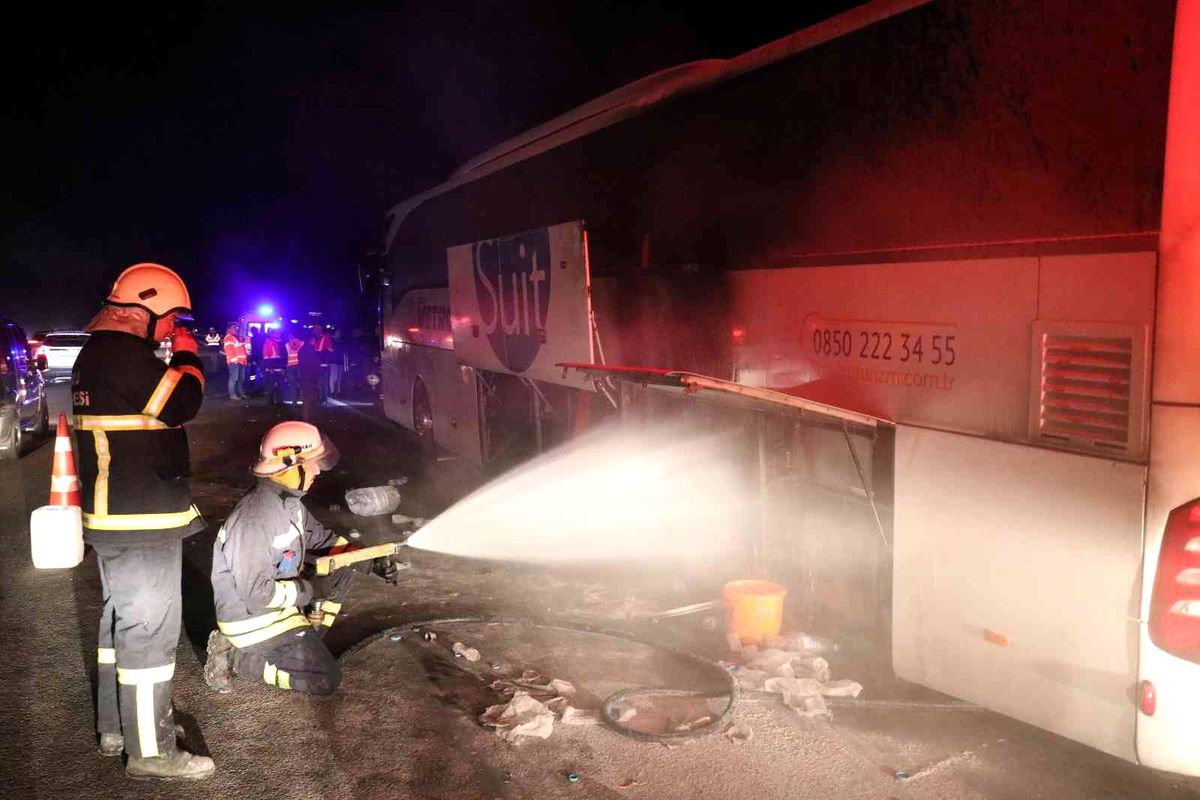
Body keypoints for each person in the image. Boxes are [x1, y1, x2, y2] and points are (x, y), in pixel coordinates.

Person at [72, 262, 215, 780]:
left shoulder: (97, 356)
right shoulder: (123, 356)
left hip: (116, 518)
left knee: (120, 624)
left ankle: (117, 729)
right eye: (170, 317)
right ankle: (152, 753)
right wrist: (187, 354)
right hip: (140, 520)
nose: (172, 326)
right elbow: (182, 402)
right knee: (149, 634)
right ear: (143, 311)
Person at [203, 421, 398, 694]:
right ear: (289, 464)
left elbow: (324, 540)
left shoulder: (289, 503)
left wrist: (370, 561)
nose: (318, 470)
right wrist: (307, 591)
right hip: (252, 620)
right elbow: (257, 596)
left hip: (280, 608)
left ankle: (305, 639)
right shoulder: (255, 518)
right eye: (313, 463)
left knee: (341, 567)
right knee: (324, 679)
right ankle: (238, 657)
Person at [297, 328, 323, 420]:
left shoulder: (301, 350)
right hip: (311, 378)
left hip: (303, 376)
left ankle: (306, 418)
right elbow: (315, 364)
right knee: (310, 399)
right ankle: (308, 419)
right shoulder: (311, 350)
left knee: (306, 399)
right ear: (311, 340)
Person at [261, 328, 286, 405]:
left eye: (279, 333)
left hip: (280, 367)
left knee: (281, 385)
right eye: (277, 333)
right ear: (272, 334)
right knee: (271, 386)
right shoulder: (268, 343)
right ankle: (270, 401)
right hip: (272, 368)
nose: (279, 334)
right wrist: (269, 368)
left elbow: (283, 356)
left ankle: (280, 401)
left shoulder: (281, 342)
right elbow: (266, 356)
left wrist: (284, 368)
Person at [222, 323, 247, 400]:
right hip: (234, 362)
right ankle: (232, 395)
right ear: (229, 329)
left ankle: (240, 393)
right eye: (233, 327)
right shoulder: (228, 338)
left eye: (236, 327)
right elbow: (229, 350)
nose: (236, 329)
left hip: (241, 361)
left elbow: (241, 349)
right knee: (234, 378)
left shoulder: (236, 337)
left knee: (241, 378)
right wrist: (235, 360)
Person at [313, 326, 336, 404]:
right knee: (320, 382)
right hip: (318, 363)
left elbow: (331, 349)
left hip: (323, 363)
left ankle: (323, 398)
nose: (315, 330)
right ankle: (321, 398)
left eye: (316, 329)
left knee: (323, 382)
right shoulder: (316, 338)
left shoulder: (325, 337)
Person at [284, 329, 304, 405]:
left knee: (292, 384)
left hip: (290, 366)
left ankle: (294, 401)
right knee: (301, 383)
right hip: (300, 365)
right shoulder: (301, 343)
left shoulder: (287, 344)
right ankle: (303, 400)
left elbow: (286, 355)